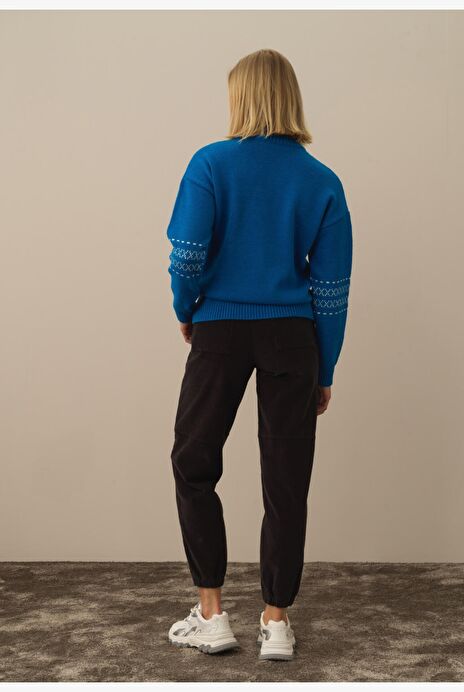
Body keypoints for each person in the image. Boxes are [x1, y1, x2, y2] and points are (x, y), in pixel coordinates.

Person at [165, 48, 353, 661]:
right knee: (286, 479)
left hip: (220, 329)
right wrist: (325, 366)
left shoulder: (210, 163)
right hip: (292, 337)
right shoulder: (321, 180)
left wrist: (187, 308)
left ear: (240, 96)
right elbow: (331, 289)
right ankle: (276, 622)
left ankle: (212, 613)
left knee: (194, 462)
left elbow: (188, 253)